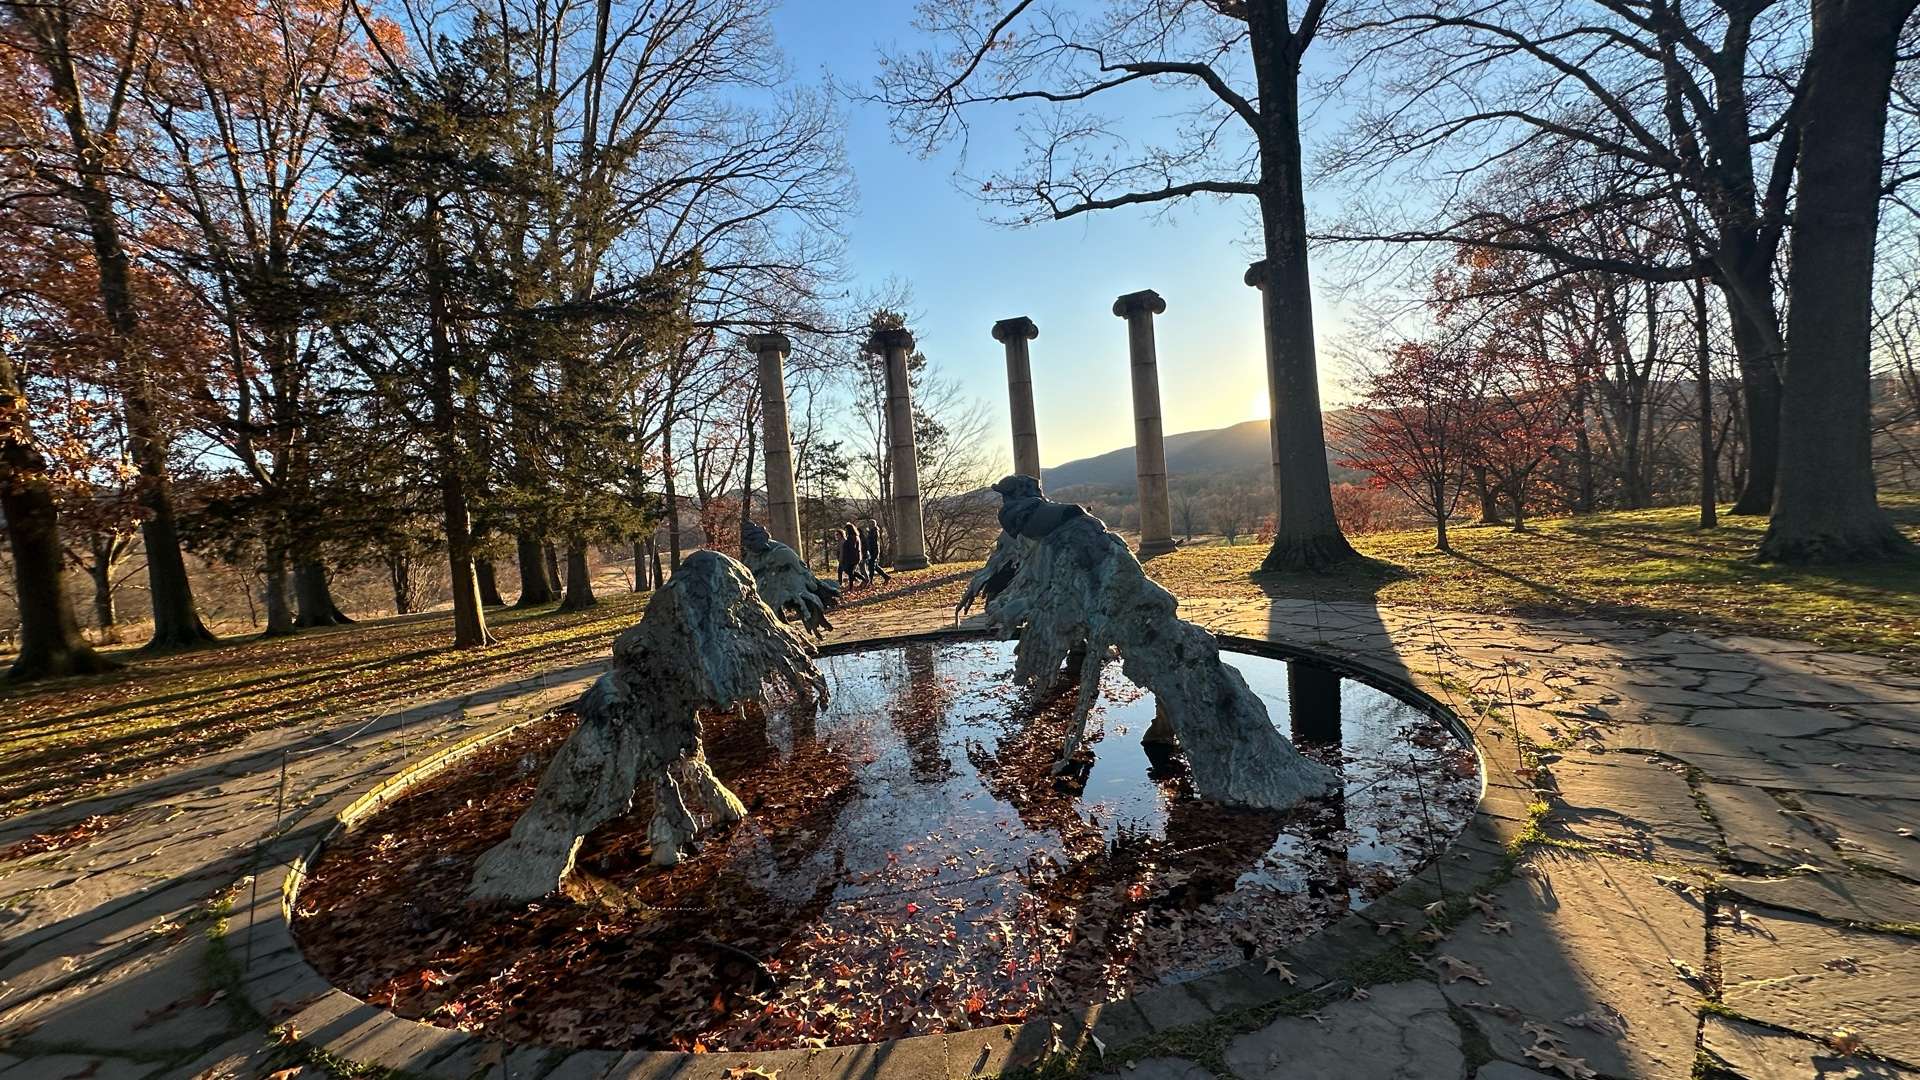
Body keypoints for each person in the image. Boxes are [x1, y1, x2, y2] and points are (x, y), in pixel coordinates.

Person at [861, 518, 890, 584]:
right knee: (875, 566)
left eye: (871, 524)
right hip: (871, 550)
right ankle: (886, 577)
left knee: (871, 566)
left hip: (874, 551)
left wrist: (871, 552)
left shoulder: (875, 531)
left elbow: (873, 542)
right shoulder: (871, 531)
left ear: (874, 524)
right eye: (870, 524)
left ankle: (870, 581)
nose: (870, 525)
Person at [837, 523, 863, 588]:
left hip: (853, 558)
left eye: (846, 530)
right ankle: (862, 581)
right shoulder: (853, 537)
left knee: (850, 572)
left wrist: (845, 558)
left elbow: (852, 548)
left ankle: (852, 586)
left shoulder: (852, 537)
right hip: (853, 557)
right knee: (850, 572)